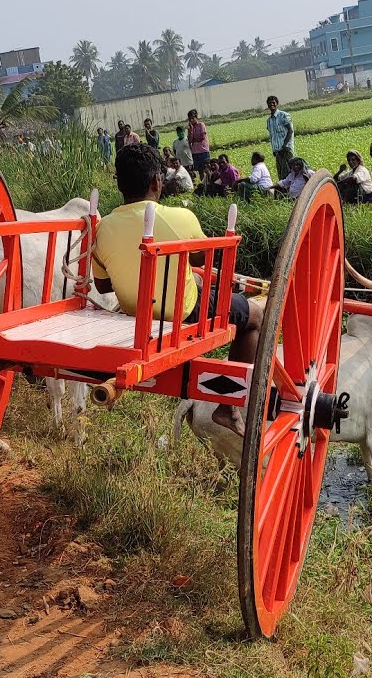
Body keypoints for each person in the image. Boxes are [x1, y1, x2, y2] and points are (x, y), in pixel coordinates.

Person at [91, 143, 262, 435]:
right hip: (183, 312)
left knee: (192, 282)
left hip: (135, 313)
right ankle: (229, 405)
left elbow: (102, 285)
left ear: (119, 184)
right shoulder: (180, 218)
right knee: (256, 316)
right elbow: (199, 259)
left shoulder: (103, 228)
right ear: (158, 182)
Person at [265, 96, 295, 180]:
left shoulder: (284, 115)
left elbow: (290, 131)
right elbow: (273, 136)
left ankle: (292, 192)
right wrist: (274, 150)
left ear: (277, 104)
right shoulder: (269, 121)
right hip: (278, 152)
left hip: (286, 150)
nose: (272, 104)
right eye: (270, 103)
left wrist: (284, 146)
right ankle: (284, 193)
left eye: (273, 103)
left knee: (289, 174)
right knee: (281, 176)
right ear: (267, 105)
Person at [187, 109, 210, 175]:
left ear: (196, 117)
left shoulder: (201, 125)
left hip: (203, 150)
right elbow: (190, 140)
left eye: (192, 118)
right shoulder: (190, 128)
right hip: (195, 152)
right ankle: (203, 184)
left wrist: (194, 140)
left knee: (207, 169)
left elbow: (202, 137)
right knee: (200, 171)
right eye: (190, 119)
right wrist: (191, 130)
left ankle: (209, 183)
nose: (191, 120)